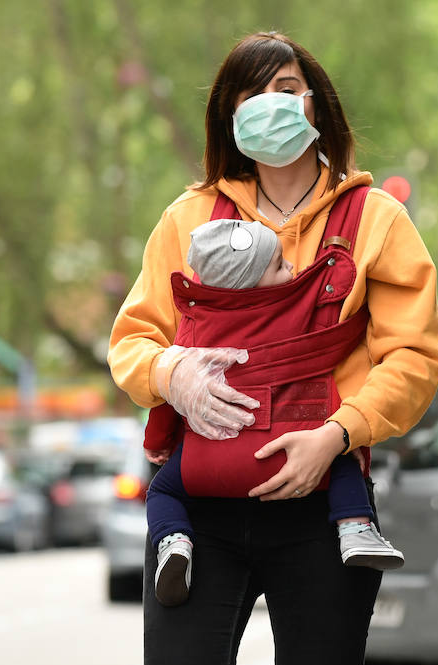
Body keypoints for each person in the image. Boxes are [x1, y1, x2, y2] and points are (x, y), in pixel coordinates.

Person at [106, 31, 438, 665]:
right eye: (251, 92)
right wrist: (170, 373)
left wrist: (337, 432)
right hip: (200, 508)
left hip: (318, 511)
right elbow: (136, 332)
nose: (270, 105)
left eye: (287, 87)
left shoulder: (375, 220)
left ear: (317, 104)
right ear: (228, 116)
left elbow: (412, 357)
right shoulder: (189, 217)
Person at [143, 216, 405, 607]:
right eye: (280, 266)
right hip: (292, 453)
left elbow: (168, 401)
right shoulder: (296, 316)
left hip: (208, 463)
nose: (292, 269)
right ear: (250, 281)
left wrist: (158, 444)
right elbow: (338, 339)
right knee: (342, 457)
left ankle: (174, 539)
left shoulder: (192, 329)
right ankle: (354, 526)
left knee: (161, 490)